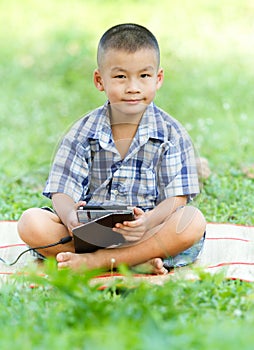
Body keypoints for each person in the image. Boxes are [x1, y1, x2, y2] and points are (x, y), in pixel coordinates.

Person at [18, 23, 206, 275]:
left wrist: (147, 221)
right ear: (99, 80)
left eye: (144, 76)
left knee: (193, 222)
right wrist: (70, 218)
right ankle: (133, 262)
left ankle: (97, 263)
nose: (133, 87)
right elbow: (62, 190)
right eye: (120, 77)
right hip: (92, 233)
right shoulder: (81, 133)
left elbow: (177, 198)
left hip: (145, 231)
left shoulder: (171, 134)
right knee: (31, 223)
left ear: (158, 78)